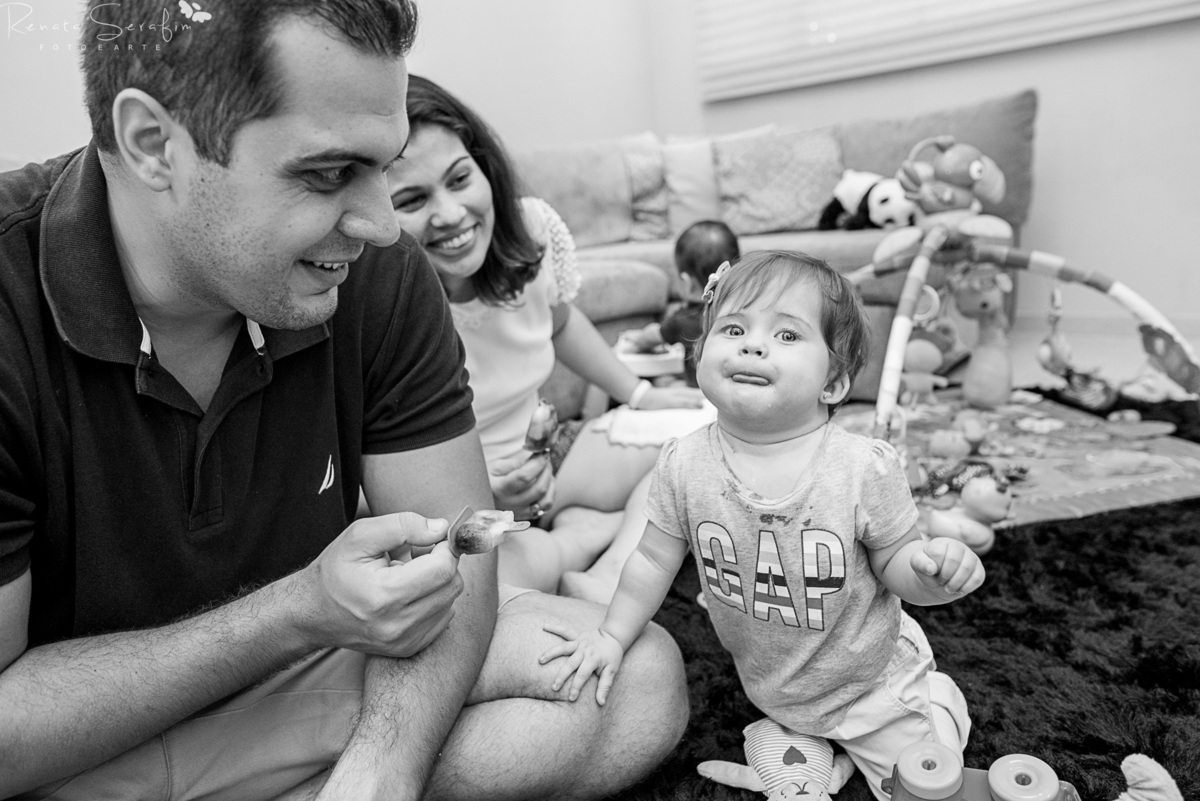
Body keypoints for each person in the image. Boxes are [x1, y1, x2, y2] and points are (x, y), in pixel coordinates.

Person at [0, 2, 688, 799]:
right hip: (75, 736)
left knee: (636, 674)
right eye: (328, 174)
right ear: (155, 144)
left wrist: (381, 770)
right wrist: (295, 611)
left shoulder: (375, 273)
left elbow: (456, 568)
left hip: (309, 682)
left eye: (382, 166)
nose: (381, 224)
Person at [539, 251, 986, 800]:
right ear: (700, 355)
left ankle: (935, 698)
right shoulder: (683, 462)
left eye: (788, 336)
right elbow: (653, 559)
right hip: (774, 687)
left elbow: (895, 562)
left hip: (869, 684)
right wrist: (611, 635)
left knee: (923, 783)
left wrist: (931, 576)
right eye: (733, 328)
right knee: (791, 777)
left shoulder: (860, 467)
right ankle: (814, 741)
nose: (752, 344)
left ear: (834, 383)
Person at [387, 75, 704, 594]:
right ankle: (574, 541)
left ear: (485, 169)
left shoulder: (530, 231)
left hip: (555, 454)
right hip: (461, 503)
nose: (450, 214)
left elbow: (560, 323)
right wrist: (482, 492)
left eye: (460, 179)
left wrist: (643, 395)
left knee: (708, 437)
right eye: (413, 200)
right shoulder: (379, 308)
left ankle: (605, 575)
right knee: (468, 587)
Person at [621, 219, 741, 388]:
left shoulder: (683, 319)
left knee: (662, 382)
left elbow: (652, 336)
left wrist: (636, 340)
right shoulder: (740, 311)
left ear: (687, 282)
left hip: (701, 389)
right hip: (731, 386)